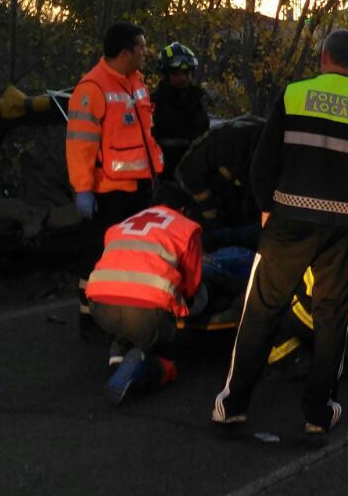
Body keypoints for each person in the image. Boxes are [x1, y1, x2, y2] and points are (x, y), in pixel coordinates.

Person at [212, 29, 348, 437]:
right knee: (332, 317)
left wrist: (264, 206)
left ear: (323, 58)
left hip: (287, 220)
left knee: (261, 311)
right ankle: (318, 412)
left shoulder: (293, 94)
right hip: (343, 227)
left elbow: (262, 159)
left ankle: (233, 404)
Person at [67, 22, 163, 342]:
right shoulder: (92, 88)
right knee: (96, 255)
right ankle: (89, 320)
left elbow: (145, 135)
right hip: (108, 192)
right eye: (141, 48)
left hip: (138, 188)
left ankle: (125, 315)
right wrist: (83, 189)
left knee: (130, 257)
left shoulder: (135, 83)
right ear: (125, 53)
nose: (145, 53)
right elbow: (80, 145)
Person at [85, 200, 202, 404]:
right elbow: (192, 286)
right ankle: (149, 369)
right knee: (164, 356)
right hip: (146, 315)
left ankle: (118, 359)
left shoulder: (121, 225)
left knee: (127, 317)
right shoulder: (187, 228)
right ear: (183, 209)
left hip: (100, 308)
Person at [172, 116, 266, 238]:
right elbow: (189, 171)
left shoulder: (267, 143)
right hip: (198, 183)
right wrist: (208, 209)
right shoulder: (230, 144)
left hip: (234, 188)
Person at [149, 42, 209, 178]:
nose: (183, 78)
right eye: (177, 73)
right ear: (166, 74)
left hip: (194, 172)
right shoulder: (153, 102)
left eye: (187, 73)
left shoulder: (197, 99)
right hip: (163, 174)